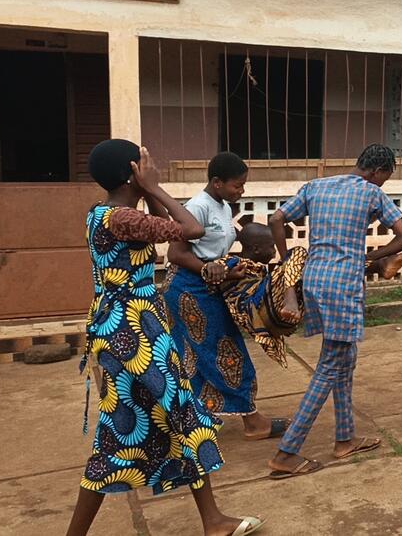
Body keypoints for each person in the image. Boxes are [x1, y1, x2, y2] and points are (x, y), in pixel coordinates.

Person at [68, 139, 263, 536]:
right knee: (183, 414)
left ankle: (212, 520)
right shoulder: (123, 219)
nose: (152, 168)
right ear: (132, 172)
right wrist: (154, 188)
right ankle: (213, 521)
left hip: (118, 329)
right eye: (145, 165)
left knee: (125, 430)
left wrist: (146, 192)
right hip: (135, 332)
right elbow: (190, 230)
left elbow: (171, 232)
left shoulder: (101, 213)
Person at [267, 144, 402, 479]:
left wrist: (286, 258)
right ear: (377, 172)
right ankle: (286, 453)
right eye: (384, 180)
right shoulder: (371, 193)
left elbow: (277, 219)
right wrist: (371, 256)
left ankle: (345, 438)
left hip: (315, 281)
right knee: (330, 366)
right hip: (344, 285)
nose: (382, 186)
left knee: (345, 359)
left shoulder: (317, 186)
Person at [163, 152, 287, 440]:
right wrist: (209, 268)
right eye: (237, 185)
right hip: (188, 291)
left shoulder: (221, 206)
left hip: (206, 288)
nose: (241, 191)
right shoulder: (198, 207)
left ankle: (196, 418)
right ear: (217, 182)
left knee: (200, 355)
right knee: (224, 352)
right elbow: (176, 253)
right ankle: (252, 422)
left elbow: (214, 250)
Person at [212, 223, 309, 367]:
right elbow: (211, 274)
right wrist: (221, 271)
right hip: (259, 307)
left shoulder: (260, 272)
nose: (274, 252)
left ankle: (294, 307)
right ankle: (291, 301)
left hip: (272, 316)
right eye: (271, 246)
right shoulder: (233, 263)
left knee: (301, 274)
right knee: (298, 252)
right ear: (256, 248)